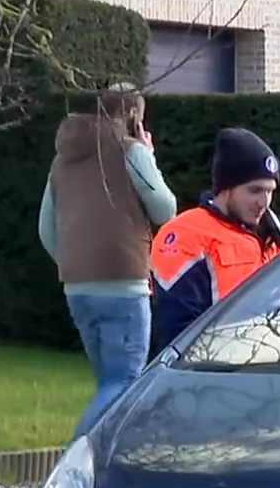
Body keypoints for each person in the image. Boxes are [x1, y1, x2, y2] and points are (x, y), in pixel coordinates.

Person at [38, 85, 179, 437]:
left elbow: (46, 229)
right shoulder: (131, 151)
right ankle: (71, 461)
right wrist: (150, 155)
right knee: (124, 381)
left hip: (76, 289)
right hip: (124, 287)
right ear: (133, 115)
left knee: (108, 383)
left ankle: (102, 467)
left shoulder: (63, 159)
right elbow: (165, 208)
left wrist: (76, 263)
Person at [150, 127, 280, 352]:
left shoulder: (271, 235)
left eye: (270, 191)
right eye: (254, 191)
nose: (264, 202)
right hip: (212, 369)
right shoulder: (186, 233)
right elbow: (178, 331)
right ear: (226, 189)